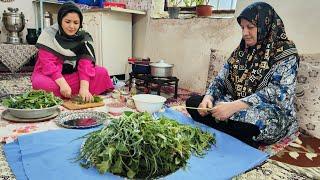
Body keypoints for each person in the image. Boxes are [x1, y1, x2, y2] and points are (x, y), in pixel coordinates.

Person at [186, 2, 299, 148]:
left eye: (250, 27)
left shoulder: (286, 53)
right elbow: (221, 79)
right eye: (242, 28)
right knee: (194, 102)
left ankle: (231, 128)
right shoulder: (242, 50)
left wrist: (234, 107)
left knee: (254, 121)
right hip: (236, 104)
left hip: (269, 112)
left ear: (266, 25)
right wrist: (208, 97)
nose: (245, 33)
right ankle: (236, 132)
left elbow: (279, 93)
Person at [32, 2, 114, 102]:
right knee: (41, 84)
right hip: (51, 75)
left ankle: (76, 92)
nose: (72, 26)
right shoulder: (48, 34)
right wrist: (62, 84)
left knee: (102, 72)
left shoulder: (84, 37)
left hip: (73, 74)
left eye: (76, 23)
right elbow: (48, 64)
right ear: (60, 20)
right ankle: (69, 91)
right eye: (67, 22)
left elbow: (86, 65)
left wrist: (84, 88)